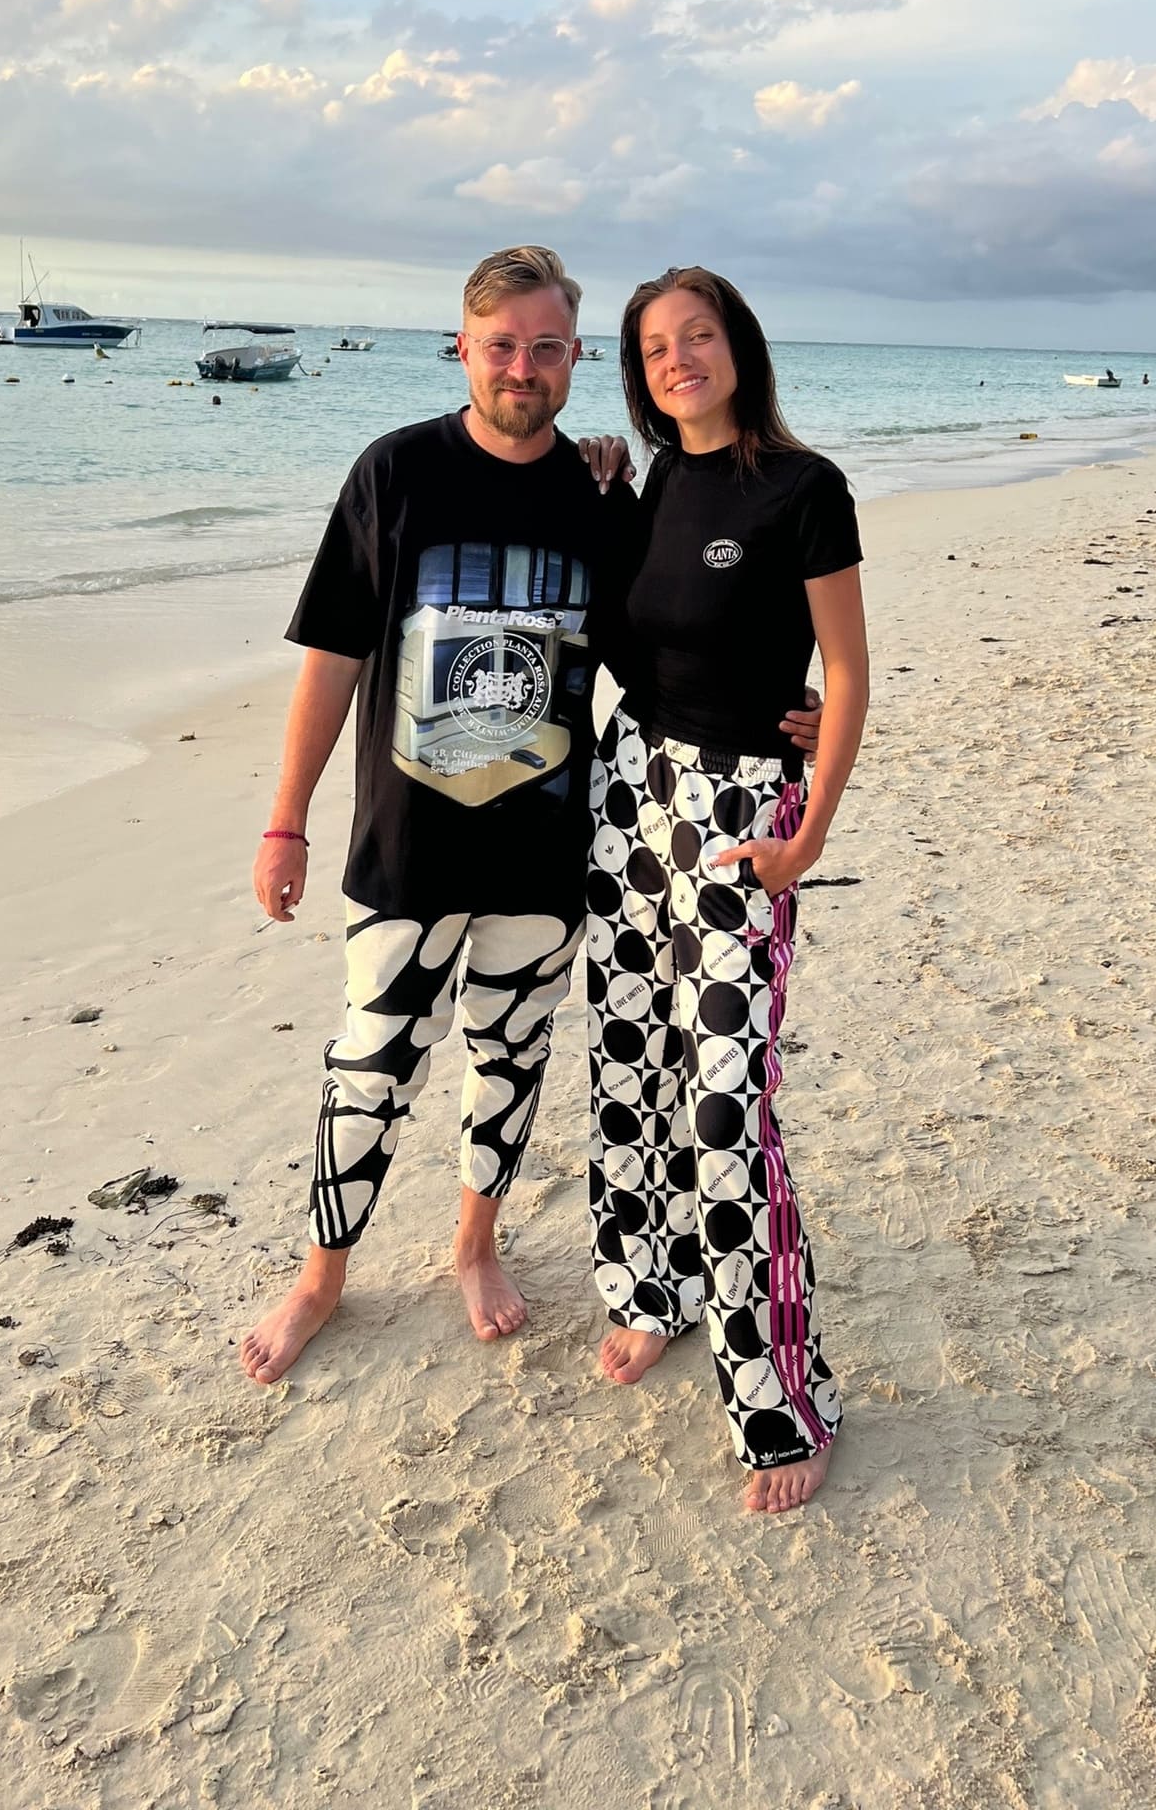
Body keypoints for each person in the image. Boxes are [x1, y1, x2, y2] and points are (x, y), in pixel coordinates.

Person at [240, 245, 821, 1386]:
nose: (522, 368)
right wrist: (284, 821)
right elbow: (334, 657)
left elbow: (670, 635)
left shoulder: (601, 495)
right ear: (463, 348)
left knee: (508, 1059)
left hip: (548, 849)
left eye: (545, 348)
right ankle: (320, 1276)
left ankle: (475, 1245)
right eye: (501, 346)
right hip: (407, 847)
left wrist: (781, 708)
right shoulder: (395, 471)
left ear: (573, 359)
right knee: (371, 1065)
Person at [585, 265, 869, 1516]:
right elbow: (633, 642)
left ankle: (784, 1400)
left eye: (696, 336)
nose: (678, 360)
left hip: (741, 814)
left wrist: (806, 838)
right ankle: (651, 1287)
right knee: (629, 1063)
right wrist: (599, 489)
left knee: (724, 1106)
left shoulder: (805, 488)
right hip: (628, 793)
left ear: (739, 347)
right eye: (655, 348)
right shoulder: (654, 483)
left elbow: (847, 674)